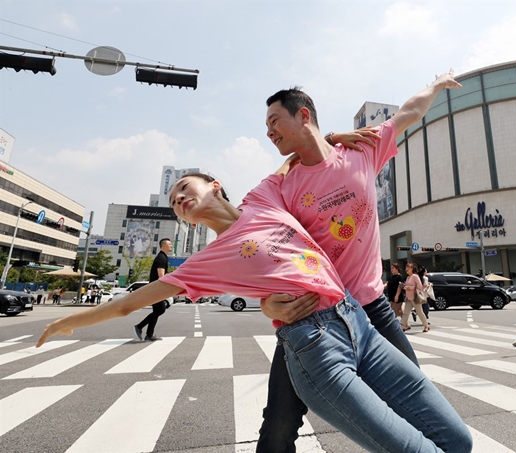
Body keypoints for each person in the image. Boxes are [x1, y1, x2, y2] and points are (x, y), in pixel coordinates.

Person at [37, 173, 472, 453]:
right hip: (315, 349)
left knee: (458, 439)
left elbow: (302, 150)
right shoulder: (207, 260)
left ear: (216, 185)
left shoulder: (264, 197)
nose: (180, 199)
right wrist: (67, 321)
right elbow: (130, 302)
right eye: (174, 201)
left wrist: (339, 137)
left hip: (357, 321)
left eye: (185, 188)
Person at [256, 70, 463, 452]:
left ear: (303, 115)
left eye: (274, 122)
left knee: (419, 410)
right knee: (279, 425)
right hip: (313, 319)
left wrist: (435, 86)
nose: (269, 133)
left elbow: (408, 113)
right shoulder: (284, 187)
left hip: (372, 310)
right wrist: (267, 302)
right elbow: (267, 252)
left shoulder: (361, 151)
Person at [133, 238, 172, 341]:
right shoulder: (161, 258)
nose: (171, 245)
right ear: (163, 246)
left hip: (156, 288)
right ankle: (139, 326)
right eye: (169, 244)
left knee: (157, 310)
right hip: (156, 289)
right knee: (161, 309)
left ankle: (149, 335)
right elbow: (161, 275)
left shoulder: (163, 257)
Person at [400, 262, 429, 332]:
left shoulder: (415, 276)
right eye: (406, 268)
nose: (406, 269)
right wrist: (404, 286)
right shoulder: (408, 278)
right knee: (406, 312)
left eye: (408, 268)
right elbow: (407, 287)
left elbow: (420, 286)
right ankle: (403, 326)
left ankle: (426, 326)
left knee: (419, 312)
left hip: (415, 298)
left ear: (412, 269)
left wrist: (411, 288)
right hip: (408, 298)